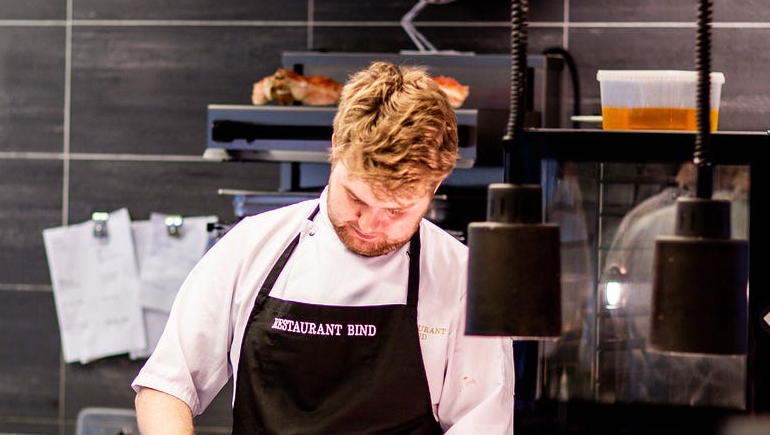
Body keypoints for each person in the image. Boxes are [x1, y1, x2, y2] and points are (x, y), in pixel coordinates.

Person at [131, 62, 514, 434]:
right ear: (335, 148)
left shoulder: (462, 278)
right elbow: (165, 388)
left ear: (435, 187)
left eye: (396, 211)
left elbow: (481, 424)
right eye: (356, 199)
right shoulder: (251, 246)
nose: (369, 225)